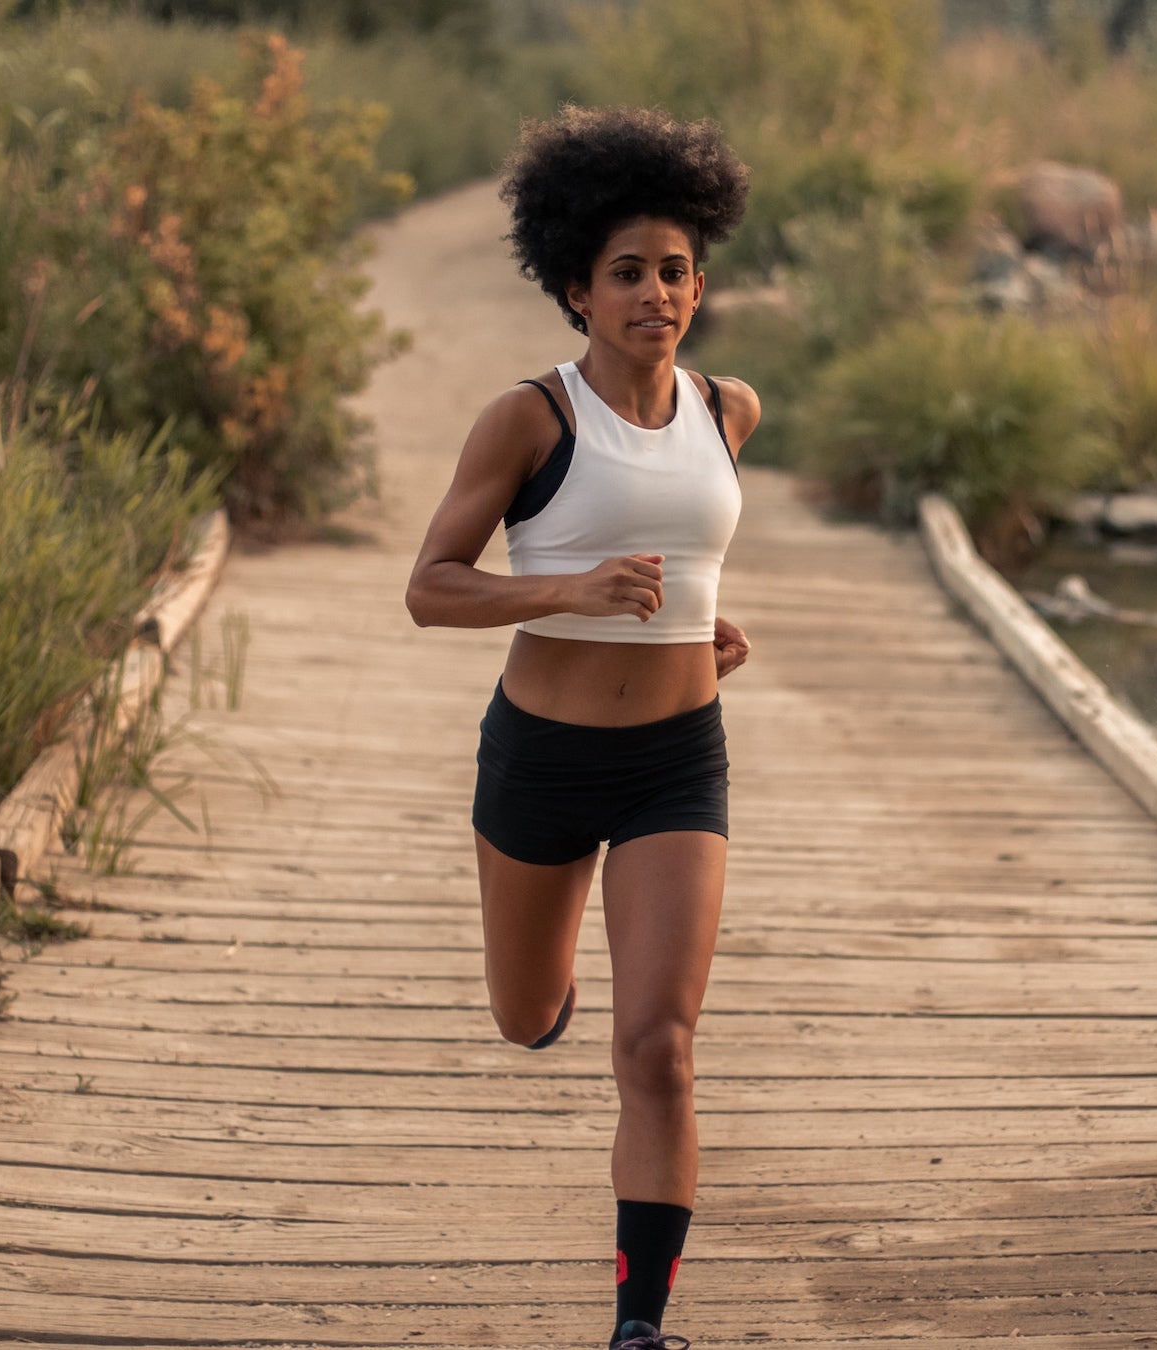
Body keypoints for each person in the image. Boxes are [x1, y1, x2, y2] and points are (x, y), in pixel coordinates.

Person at [402, 105, 756, 1350]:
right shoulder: (530, 419)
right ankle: (538, 1003)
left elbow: (690, 553)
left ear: (698, 284)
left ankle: (639, 1326)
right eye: (626, 274)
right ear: (575, 291)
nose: (654, 293)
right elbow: (431, 586)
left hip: (677, 760)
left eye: (673, 271)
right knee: (523, 1014)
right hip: (543, 761)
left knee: (658, 1048)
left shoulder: (729, 411)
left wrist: (704, 629)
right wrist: (568, 588)